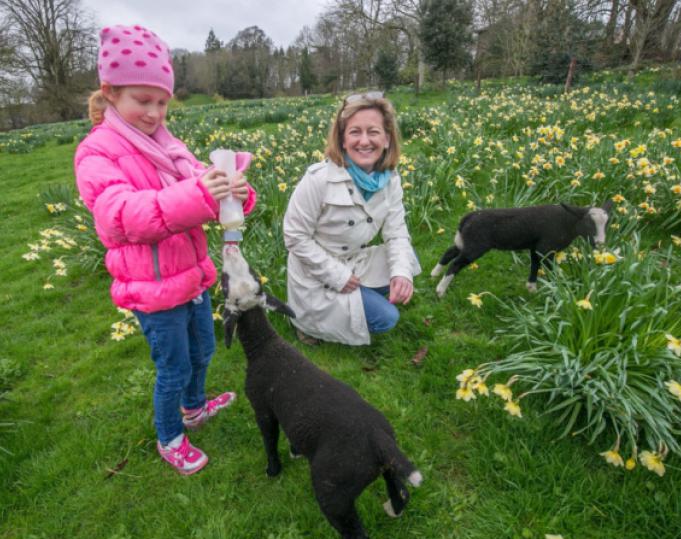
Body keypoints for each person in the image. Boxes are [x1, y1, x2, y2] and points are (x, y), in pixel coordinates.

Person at [74, 25, 256, 475]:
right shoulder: (96, 152)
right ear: (110, 92)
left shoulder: (167, 146)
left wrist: (234, 192)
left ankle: (194, 409)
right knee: (173, 367)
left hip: (191, 276)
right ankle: (170, 436)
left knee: (204, 352)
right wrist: (199, 194)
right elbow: (122, 217)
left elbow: (201, 182)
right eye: (143, 100)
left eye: (161, 102)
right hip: (153, 290)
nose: (155, 113)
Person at [283, 92, 421, 346]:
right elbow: (294, 237)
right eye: (355, 132)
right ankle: (306, 325)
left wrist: (401, 273)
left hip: (353, 260)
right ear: (343, 140)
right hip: (317, 273)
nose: (365, 141)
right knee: (387, 318)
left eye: (374, 132)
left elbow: (397, 233)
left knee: (408, 261)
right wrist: (337, 276)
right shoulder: (318, 179)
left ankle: (363, 296)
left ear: (387, 139)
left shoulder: (390, 179)